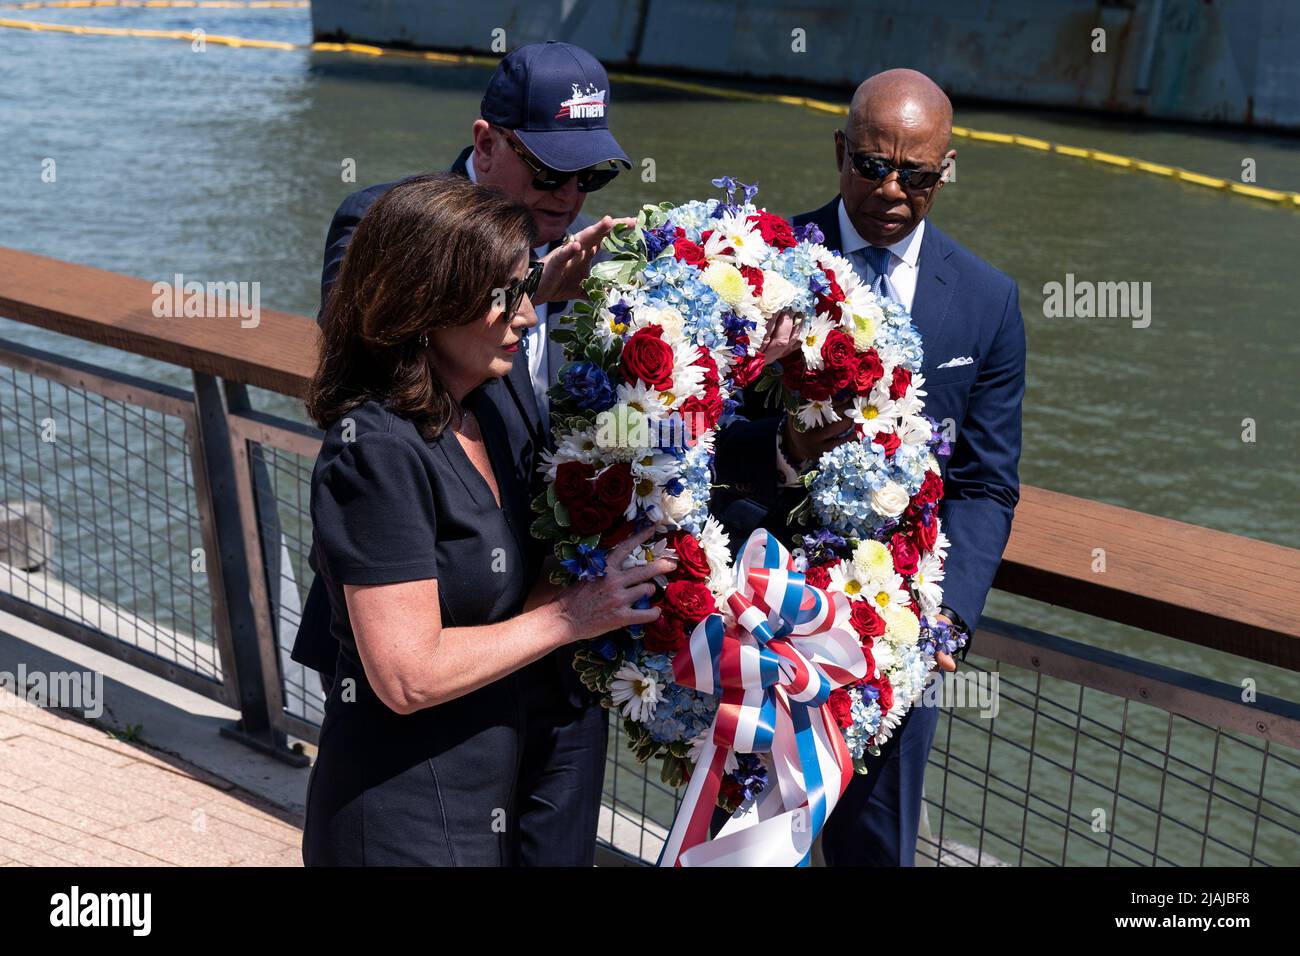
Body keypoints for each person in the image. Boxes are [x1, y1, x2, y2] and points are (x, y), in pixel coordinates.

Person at [292, 41, 633, 866]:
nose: (570, 196)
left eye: (590, 179)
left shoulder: (606, 266)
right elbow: (363, 355)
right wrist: (540, 283)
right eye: (550, 173)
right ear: (487, 144)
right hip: (427, 702)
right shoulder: (392, 230)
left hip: (535, 668)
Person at [726, 68, 1026, 866]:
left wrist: (948, 621)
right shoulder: (759, 265)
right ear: (840, 150)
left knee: (873, 852)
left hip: (897, 639)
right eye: (872, 165)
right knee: (737, 845)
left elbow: (987, 481)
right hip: (758, 620)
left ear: (946, 170)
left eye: (918, 174)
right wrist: (781, 451)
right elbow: (701, 435)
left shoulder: (989, 302)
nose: (892, 189)